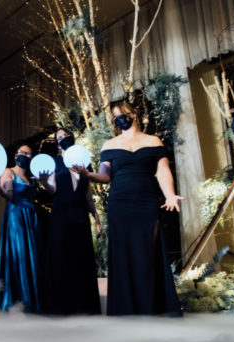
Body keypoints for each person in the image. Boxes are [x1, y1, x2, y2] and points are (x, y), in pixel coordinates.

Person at [74, 101, 184, 316]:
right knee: (123, 254)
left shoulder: (153, 141)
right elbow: (105, 176)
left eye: (121, 114)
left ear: (134, 113)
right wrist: (89, 175)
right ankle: (126, 309)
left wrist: (170, 194)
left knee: (148, 253)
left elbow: (162, 171)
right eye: (115, 116)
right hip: (120, 203)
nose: (118, 118)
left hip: (146, 202)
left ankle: (151, 307)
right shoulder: (109, 145)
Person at [39, 128, 101, 315]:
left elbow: (87, 192)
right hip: (61, 213)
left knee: (80, 256)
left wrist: (95, 215)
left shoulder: (83, 160)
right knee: (61, 256)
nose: (63, 139)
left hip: (80, 213)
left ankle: (83, 306)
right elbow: (52, 188)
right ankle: (61, 306)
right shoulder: (56, 162)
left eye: (66, 136)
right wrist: (43, 182)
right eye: (60, 138)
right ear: (57, 144)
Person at [0, 144, 44, 313]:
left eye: (28, 154)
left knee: (32, 255)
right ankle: (19, 299)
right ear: (16, 155)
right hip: (16, 216)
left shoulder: (30, 175)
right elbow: (9, 195)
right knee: (19, 254)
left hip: (30, 217)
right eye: (22, 153)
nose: (24, 156)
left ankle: (31, 298)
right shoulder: (9, 172)